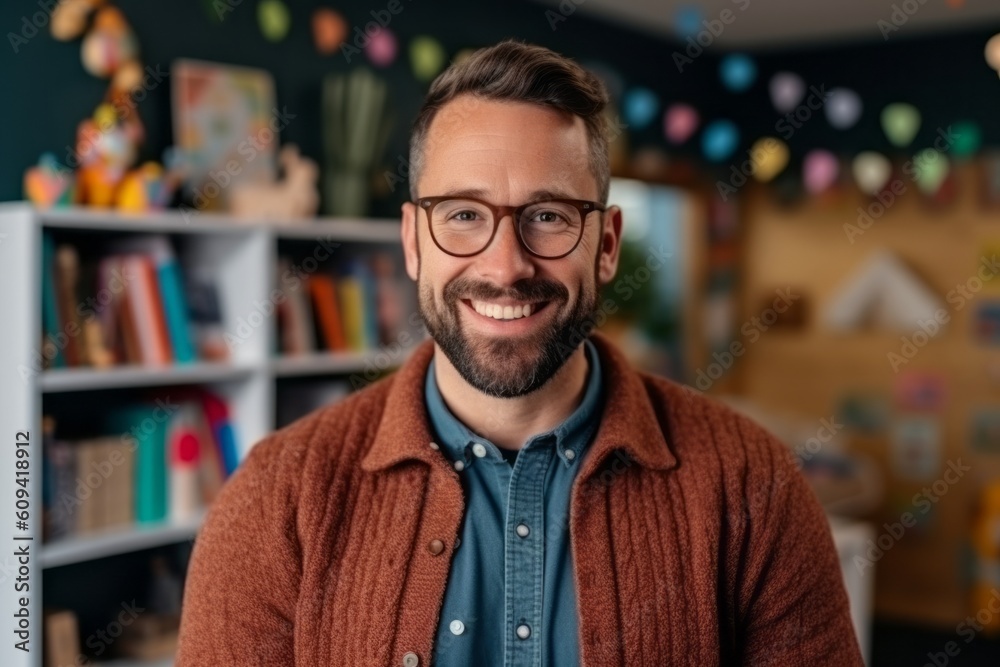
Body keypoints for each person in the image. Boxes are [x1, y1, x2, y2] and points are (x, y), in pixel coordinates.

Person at [176, 38, 863, 666]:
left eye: (549, 216)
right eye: (465, 215)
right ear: (414, 240)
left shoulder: (752, 485)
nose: (506, 267)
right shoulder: (274, 502)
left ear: (607, 244)